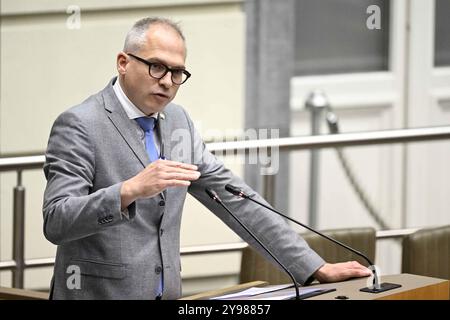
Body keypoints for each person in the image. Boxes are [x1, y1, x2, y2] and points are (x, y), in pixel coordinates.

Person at [42, 17, 371, 300]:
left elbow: (236, 199)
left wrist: (314, 267)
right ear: (123, 62)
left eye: (177, 72)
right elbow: (57, 221)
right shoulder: (81, 124)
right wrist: (128, 191)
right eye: (157, 67)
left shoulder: (177, 122)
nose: (168, 82)